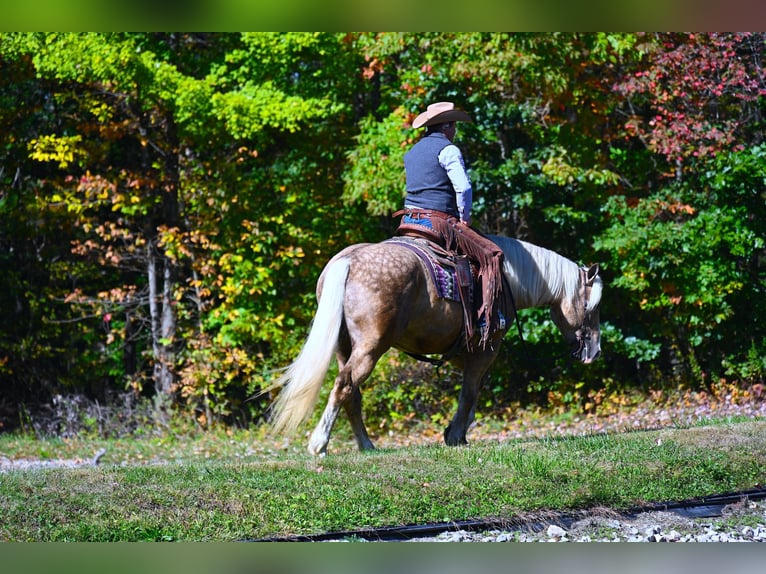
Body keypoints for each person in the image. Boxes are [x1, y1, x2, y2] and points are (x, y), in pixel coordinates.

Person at [394, 101, 508, 351]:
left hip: (409, 220)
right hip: (439, 221)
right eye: (453, 124)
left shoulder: (412, 152)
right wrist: (464, 217)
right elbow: (464, 187)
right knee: (492, 255)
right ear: (445, 125)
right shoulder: (448, 150)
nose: (455, 130)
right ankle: (485, 320)